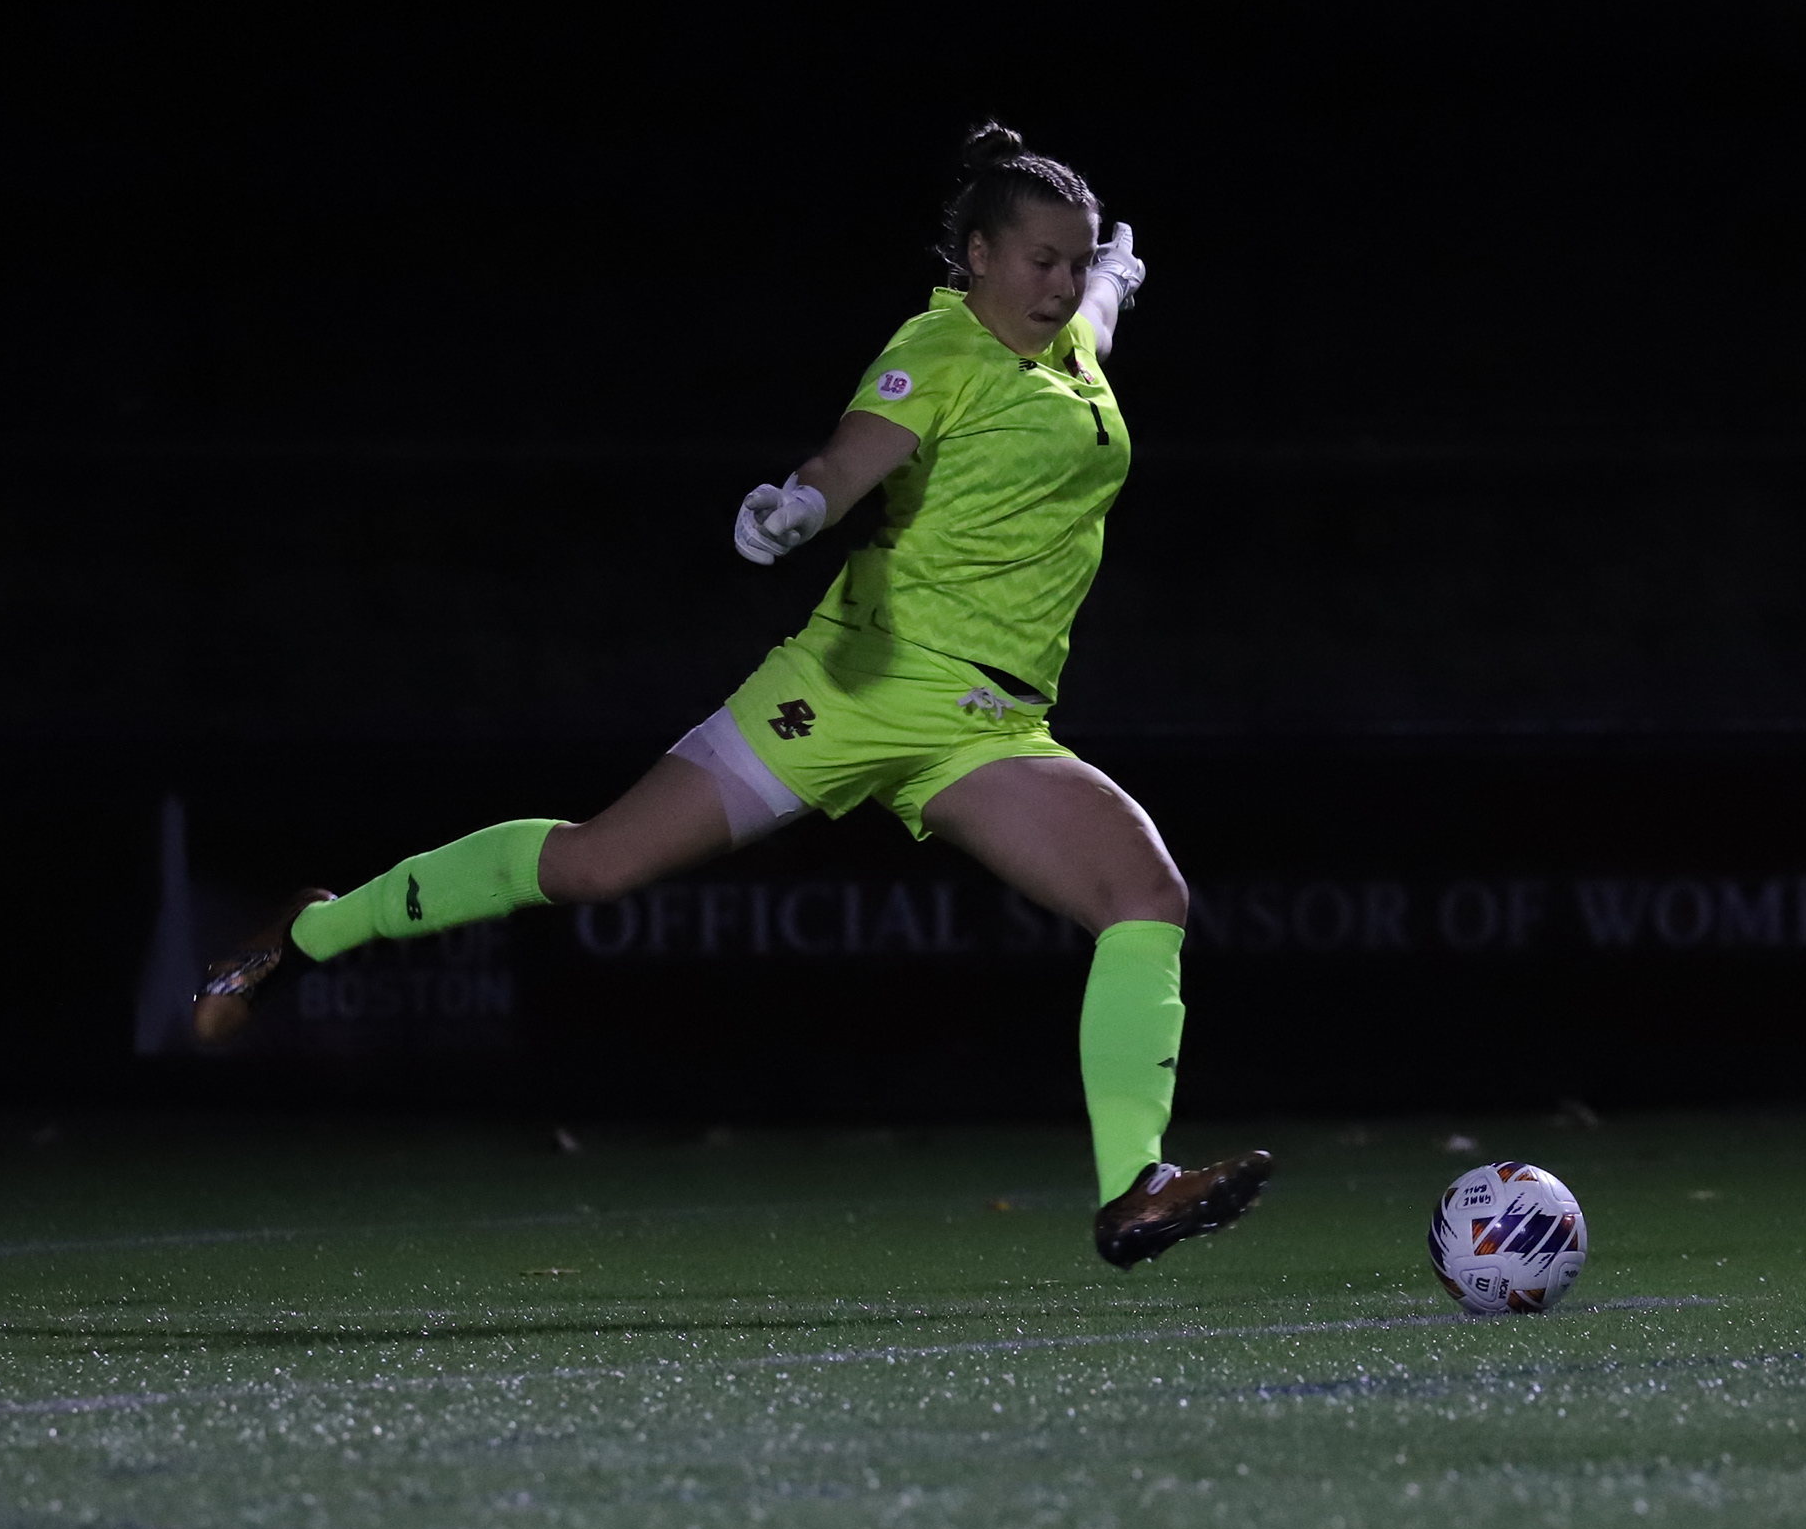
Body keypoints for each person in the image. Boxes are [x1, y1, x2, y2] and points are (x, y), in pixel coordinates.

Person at [188, 122, 1273, 1268]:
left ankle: (1133, 1188)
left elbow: (1095, 323)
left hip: (988, 728)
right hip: (853, 690)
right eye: (1042, 258)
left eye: (1076, 257)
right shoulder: (939, 348)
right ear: (976, 256)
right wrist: (801, 506)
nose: (1060, 280)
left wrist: (1110, 280)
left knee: (1144, 895)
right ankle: (308, 933)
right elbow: (850, 456)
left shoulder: (1072, 348)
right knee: (598, 865)